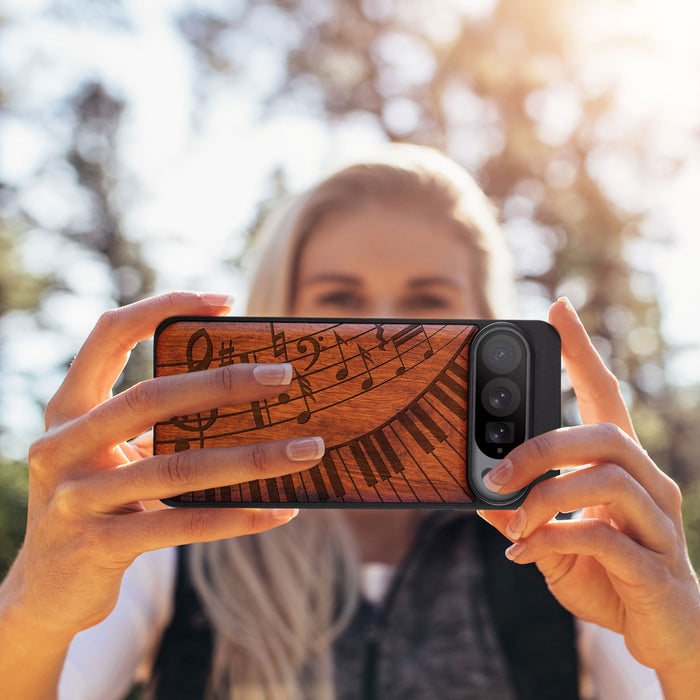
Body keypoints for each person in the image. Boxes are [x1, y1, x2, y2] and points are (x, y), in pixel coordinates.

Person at [0, 145, 698, 700]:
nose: (386, 332)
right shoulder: (170, 535)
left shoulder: (567, 544)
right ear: (277, 316)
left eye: (427, 304)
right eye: (340, 301)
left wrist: (685, 648)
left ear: (487, 323)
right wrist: (34, 607)